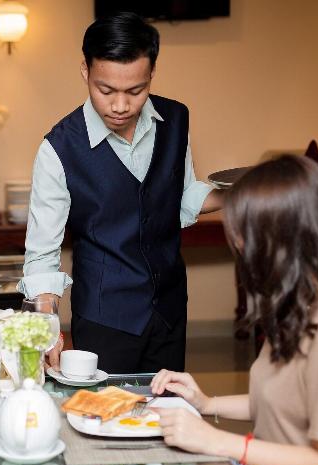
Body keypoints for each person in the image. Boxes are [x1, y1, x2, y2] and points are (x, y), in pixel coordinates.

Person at [152, 155, 318, 465]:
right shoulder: (294, 306)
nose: (237, 244)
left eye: (244, 233)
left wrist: (218, 442)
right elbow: (288, 404)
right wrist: (206, 403)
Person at [18, 12, 222, 374]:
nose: (120, 106)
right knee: (104, 407)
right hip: (104, 317)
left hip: (168, 309)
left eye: (135, 91)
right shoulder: (58, 148)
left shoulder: (175, 119)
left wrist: (242, 194)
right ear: (86, 71)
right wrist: (46, 323)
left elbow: (182, 193)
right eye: (106, 90)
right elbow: (42, 253)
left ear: (152, 72)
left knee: (166, 407)